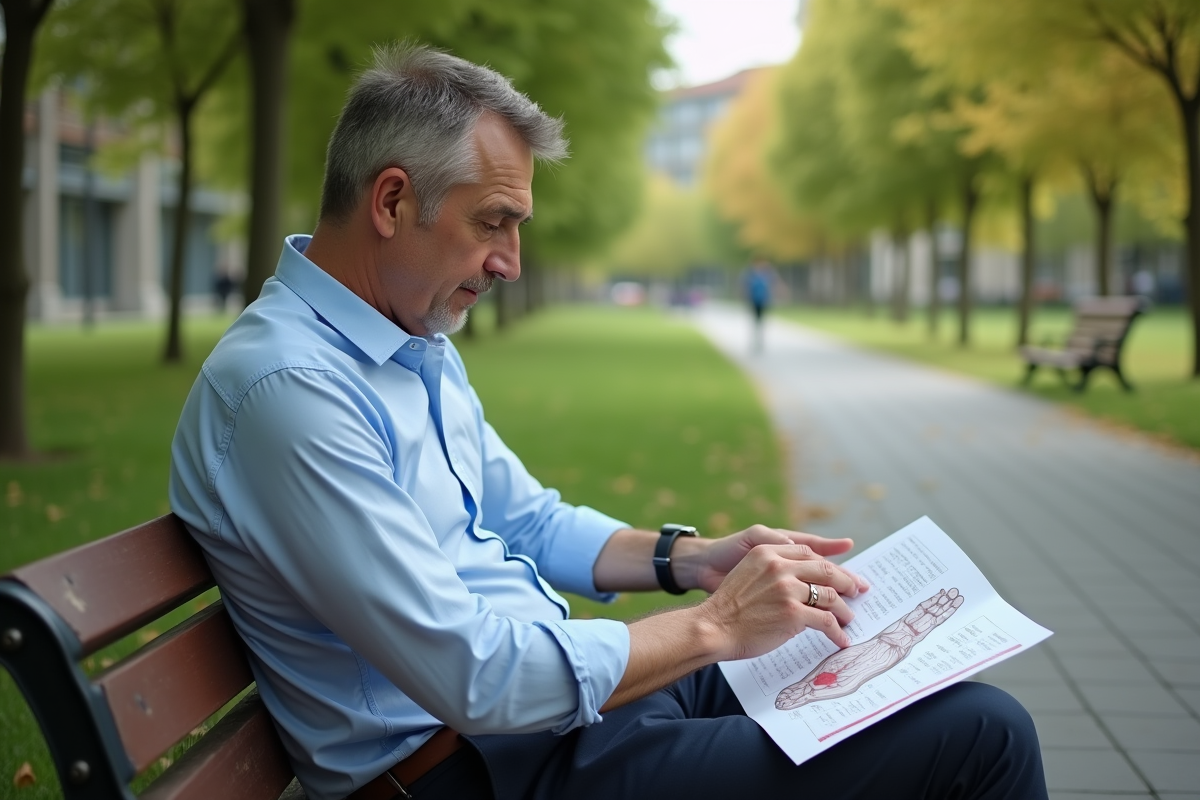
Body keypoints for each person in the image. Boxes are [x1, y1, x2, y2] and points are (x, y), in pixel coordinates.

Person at [170, 44, 1047, 800]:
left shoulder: (407, 344)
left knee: (919, 695)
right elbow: (476, 678)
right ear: (392, 202)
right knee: (980, 736)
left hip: (567, 714)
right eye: (494, 223)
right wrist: (715, 627)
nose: (510, 262)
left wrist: (693, 560)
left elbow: (527, 519)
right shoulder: (290, 392)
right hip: (477, 766)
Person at [744, 258, 774, 352]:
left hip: (763, 301)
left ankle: (760, 340)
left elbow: (773, 286)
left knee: (761, 320)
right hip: (753, 301)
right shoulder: (751, 275)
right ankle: (755, 339)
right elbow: (746, 287)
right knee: (755, 320)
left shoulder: (767, 275)